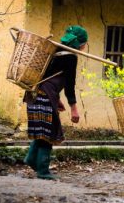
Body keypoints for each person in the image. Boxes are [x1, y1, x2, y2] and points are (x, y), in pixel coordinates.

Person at [23, 25, 86, 179]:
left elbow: (49, 77)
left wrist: (56, 100)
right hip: (46, 95)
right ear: (81, 44)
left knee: (42, 130)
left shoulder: (55, 51)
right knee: (49, 131)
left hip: (34, 93)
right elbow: (69, 85)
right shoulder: (71, 57)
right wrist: (74, 108)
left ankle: (32, 159)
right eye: (85, 43)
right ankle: (43, 170)